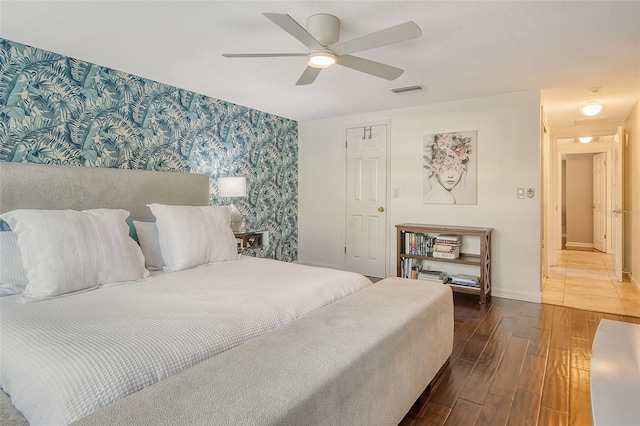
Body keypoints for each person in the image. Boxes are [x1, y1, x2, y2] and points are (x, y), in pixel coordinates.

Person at [423, 132, 472, 204]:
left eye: (456, 169)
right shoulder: (446, 198)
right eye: (445, 168)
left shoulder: (430, 196)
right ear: (434, 169)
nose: (450, 176)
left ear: (463, 169)